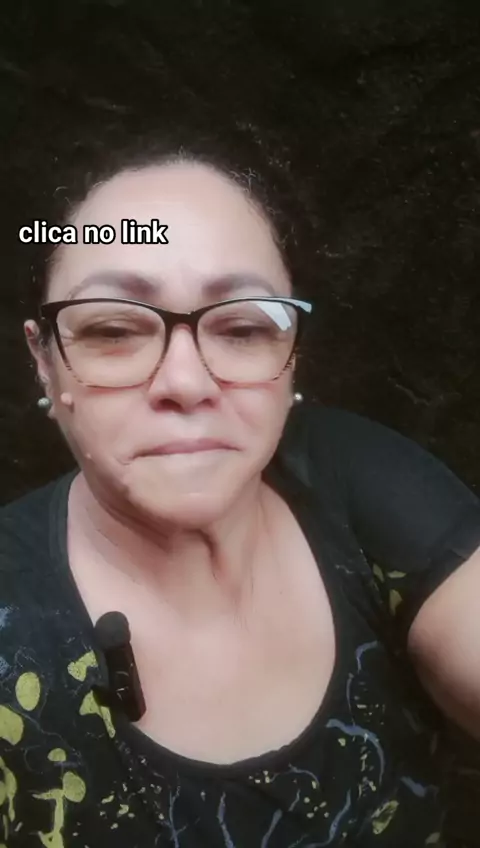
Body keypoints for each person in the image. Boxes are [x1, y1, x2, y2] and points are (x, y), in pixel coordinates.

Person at [1, 141, 480, 848]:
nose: (186, 383)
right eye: (113, 329)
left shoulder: (357, 476)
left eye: (245, 326)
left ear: (293, 356)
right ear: (44, 363)